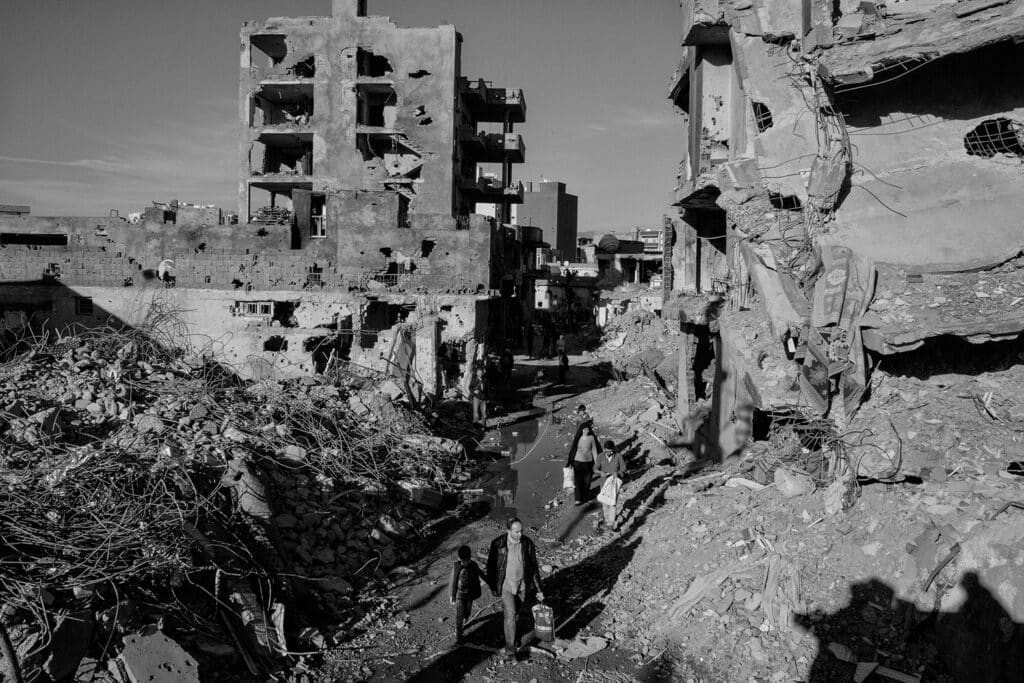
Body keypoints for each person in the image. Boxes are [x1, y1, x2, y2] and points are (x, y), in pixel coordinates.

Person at [486, 518, 545, 658]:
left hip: (522, 586)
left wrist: (539, 589)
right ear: (508, 531)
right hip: (506, 586)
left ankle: (510, 634)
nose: (520, 534)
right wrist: (493, 587)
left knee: (516, 612)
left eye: (521, 531)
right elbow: (490, 567)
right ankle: (510, 647)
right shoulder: (498, 544)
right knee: (510, 614)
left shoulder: (527, 543)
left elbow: (534, 567)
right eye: (516, 532)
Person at [450, 545, 483, 644]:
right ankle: (459, 635)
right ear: (459, 558)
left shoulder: (474, 565)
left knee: (467, 612)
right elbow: (453, 581)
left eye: (466, 560)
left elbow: (481, 574)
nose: (464, 563)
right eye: (462, 560)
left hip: (470, 594)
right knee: (459, 614)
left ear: (469, 558)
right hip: (460, 594)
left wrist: (491, 584)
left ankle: (465, 618)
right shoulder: (457, 566)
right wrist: (452, 595)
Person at [596, 440, 626, 531]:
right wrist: (600, 472)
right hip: (604, 482)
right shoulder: (600, 456)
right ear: (604, 449)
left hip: (614, 483)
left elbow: (623, 468)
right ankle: (606, 519)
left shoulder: (618, 456)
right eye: (608, 450)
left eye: (611, 450)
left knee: (613, 502)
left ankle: (611, 523)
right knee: (605, 502)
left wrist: (618, 473)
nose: (610, 452)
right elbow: (595, 468)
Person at [566, 424, 600, 505]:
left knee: (587, 481)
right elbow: (573, 450)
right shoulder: (578, 438)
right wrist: (570, 462)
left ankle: (585, 496)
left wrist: (596, 462)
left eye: (588, 429)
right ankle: (578, 499)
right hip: (577, 462)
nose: (586, 431)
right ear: (581, 430)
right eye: (584, 429)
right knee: (578, 481)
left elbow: (594, 450)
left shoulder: (591, 438)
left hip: (589, 462)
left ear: (590, 430)